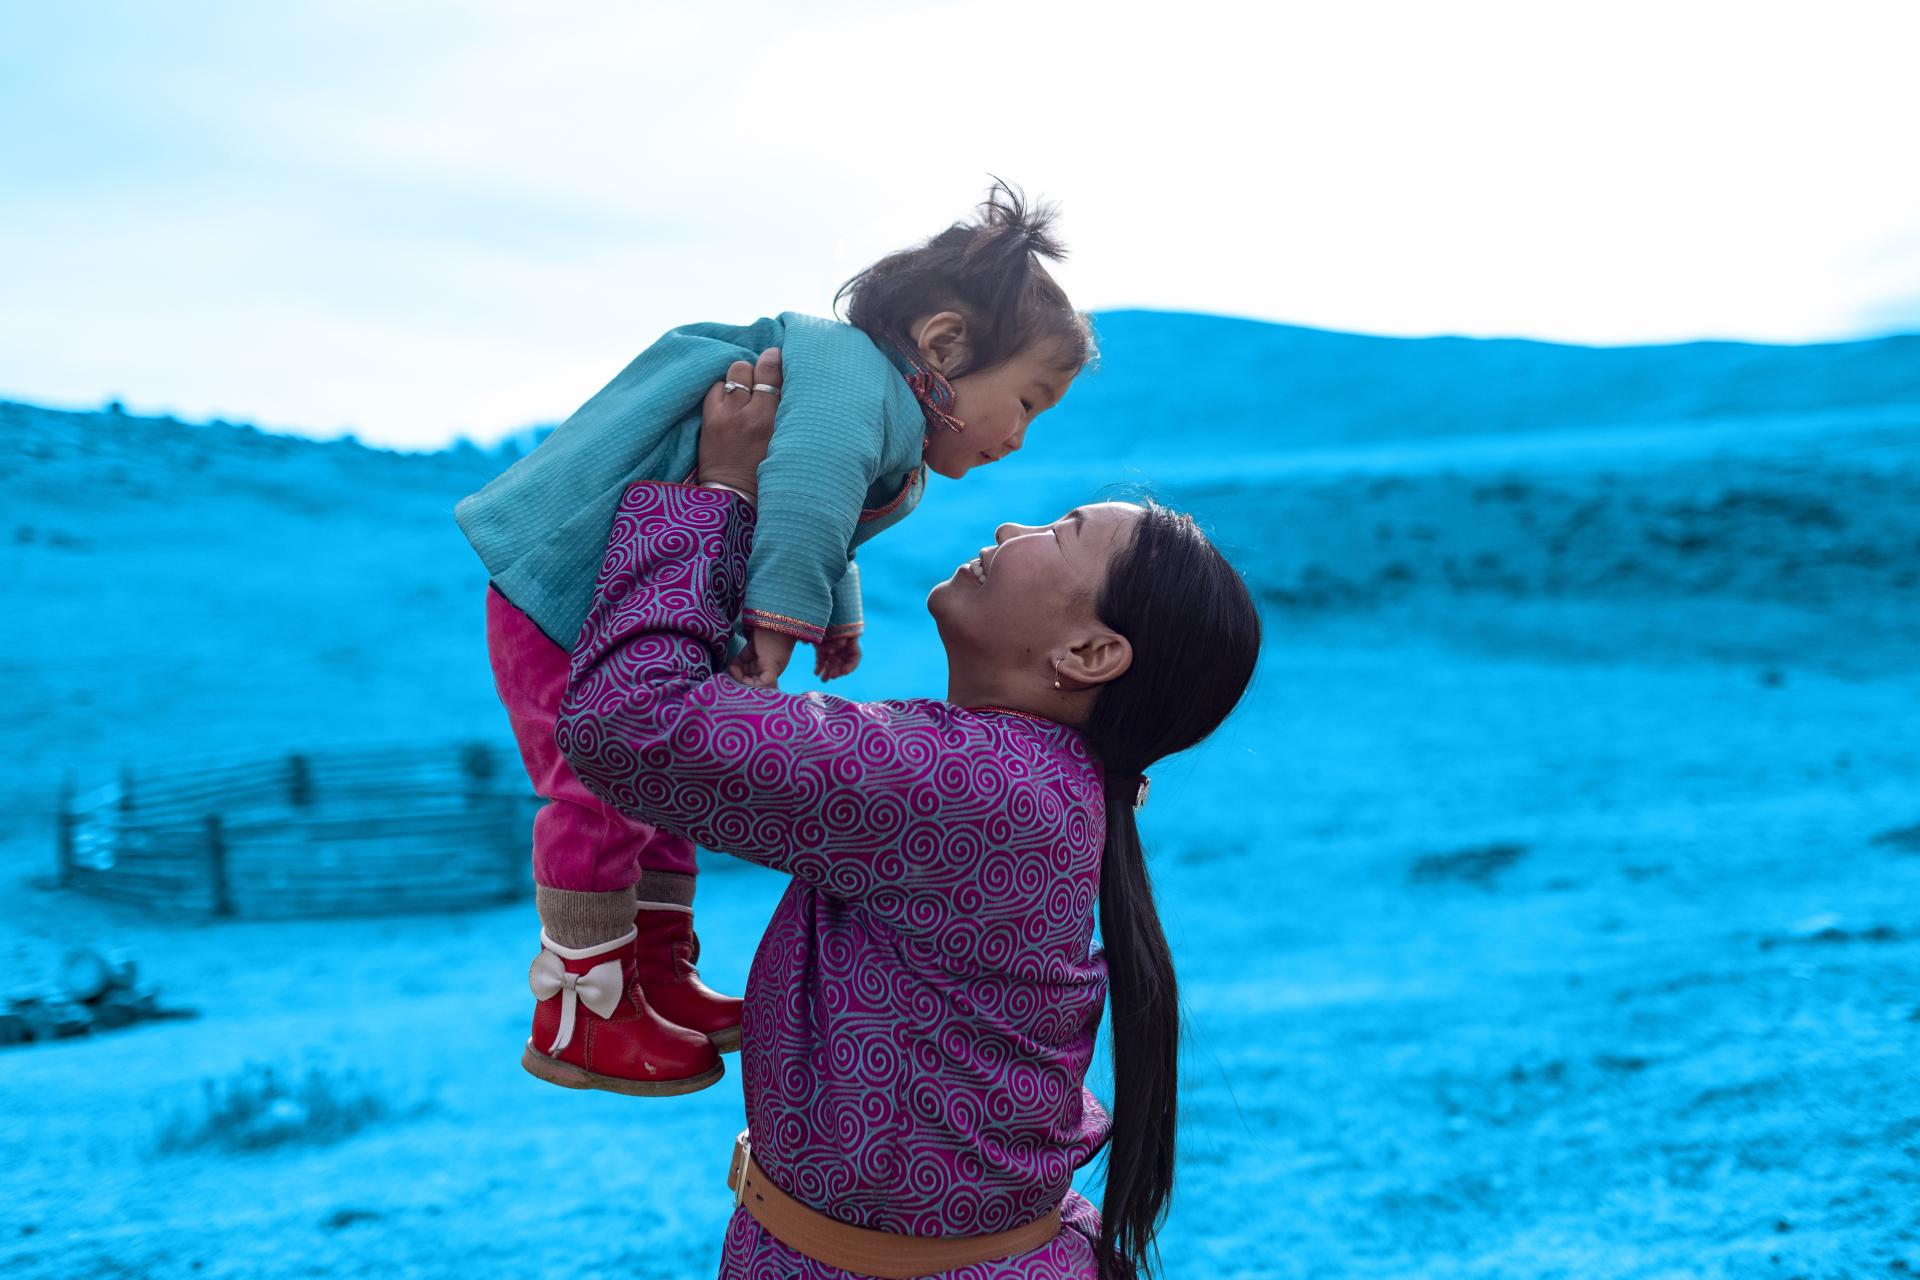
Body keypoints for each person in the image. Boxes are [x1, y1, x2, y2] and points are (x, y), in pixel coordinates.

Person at [554, 355, 1261, 1278]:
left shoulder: (983, 788)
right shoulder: (1026, 779)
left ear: (1090, 652)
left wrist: (719, 492)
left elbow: (630, 725)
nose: (1014, 525)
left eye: (1062, 531)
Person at [461, 182, 1095, 1095]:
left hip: (643, 593)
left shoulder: (867, 403)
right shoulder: (848, 383)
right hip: (567, 594)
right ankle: (581, 1014)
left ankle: (657, 975)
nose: (1021, 437)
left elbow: (824, 517)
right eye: (1026, 402)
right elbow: (803, 491)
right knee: (598, 789)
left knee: (658, 790)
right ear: (946, 346)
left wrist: (831, 612)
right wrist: (778, 622)